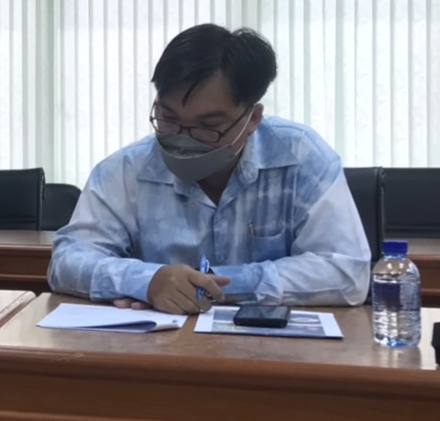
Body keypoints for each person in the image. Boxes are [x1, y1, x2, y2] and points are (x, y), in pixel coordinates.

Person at [49, 24, 370, 312]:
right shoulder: (126, 169)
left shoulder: (300, 157)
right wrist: (147, 281)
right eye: (168, 118)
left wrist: (214, 283)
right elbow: (67, 260)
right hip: (161, 347)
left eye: (208, 126)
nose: (183, 139)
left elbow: (347, 271)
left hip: (272, 349)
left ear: (253, 119)